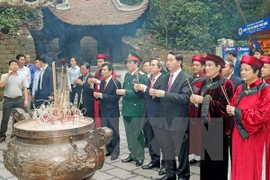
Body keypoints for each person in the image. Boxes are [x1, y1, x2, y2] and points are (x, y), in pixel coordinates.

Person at [190, 54, 234, 180]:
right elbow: (198, 102)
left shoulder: (226, 84)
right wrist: (194, 100)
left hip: (218, 129)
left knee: (217, 165)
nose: (206, 68)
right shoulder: (205, 82)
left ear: (218, 67)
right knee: (206, 164)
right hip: (204, 127)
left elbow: (224, 108)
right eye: (205, 65)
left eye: (209, 65)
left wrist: (203, 100)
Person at [226, 55, 270, 180]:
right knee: (239, 165)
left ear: (256, 71)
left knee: (254, 166)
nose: (242, 73)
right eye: (241, 70)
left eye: (246, 70)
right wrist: (230, 109)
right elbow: (233, 105)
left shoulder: (266, 91)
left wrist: (237, 111)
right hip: (238, 136)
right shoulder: (240, 88)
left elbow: (262, 116)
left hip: (257, 137)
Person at [151, 50, 192, 180]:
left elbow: (185, 98)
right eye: (167, 60)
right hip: (164, 120)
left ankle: (183, 176)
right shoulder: (164, 78)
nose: (168, 62)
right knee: (167, 150)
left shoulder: (186, 78)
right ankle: (170, 174)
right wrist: (154, 94)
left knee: (181, 151)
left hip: (179, 120)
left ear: (179, 62)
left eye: (171, 60)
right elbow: (161, 98)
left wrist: (164, 94)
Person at [134, 58, 166, 176]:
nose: (150, 67)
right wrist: (137, 89)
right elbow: (143, 95)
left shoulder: (164, 79)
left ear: (160, 68)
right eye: (150, 65)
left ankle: (165, 164)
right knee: (151, 139)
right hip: (147, 113)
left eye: (153, 65)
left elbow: (159, 95)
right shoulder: (149, 79)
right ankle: (155, 160)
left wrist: (145, 89)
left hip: (158, 114)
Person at [116, 50, 147, 167]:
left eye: (130, 62)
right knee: (129, 133)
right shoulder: (128, 75)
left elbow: (142, 94)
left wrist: (126, 92)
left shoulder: (141, 76)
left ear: (136, 63)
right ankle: (132, 154)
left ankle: (140, 156)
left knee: (137, 133)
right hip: (126, 109)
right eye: (127, 62)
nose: (127, 64)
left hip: (136, 109)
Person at [93, 63, 121, 161]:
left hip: (112, 111)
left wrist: (102, 96)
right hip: (103, 110)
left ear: (110, 71)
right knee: (106, 132)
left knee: (114, 132)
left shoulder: (115, 82)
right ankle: (109, 149)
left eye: (105, 70)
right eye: (102, 70)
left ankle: (116, 152)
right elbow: (101, 95)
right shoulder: (101, 82)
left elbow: (115, 98)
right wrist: (97, 95)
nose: (102, 72)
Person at [0, 60, 28, 143]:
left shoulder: (22, 76)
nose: (14, 66)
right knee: (5, 119)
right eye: (12, 65)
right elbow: (1, 85)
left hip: (18, 99)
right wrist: (8, 75)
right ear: (9, 66)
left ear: (18, 66)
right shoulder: (4, 75)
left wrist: (26, 99)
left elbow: (25, 88)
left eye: (16, 64)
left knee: (18, 118)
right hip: (8, 100)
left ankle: (15, 133)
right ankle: (2, 135)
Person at [88, 54, 117, 128]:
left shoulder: (112, 73)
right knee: (98, 116)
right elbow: (95, 87)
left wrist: (97, 81)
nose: (99, 64)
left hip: (106, 98)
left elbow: (109, 86)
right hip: (97, 97)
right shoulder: (97, 73)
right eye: (97, 62)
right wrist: (91, 83)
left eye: (101, 62)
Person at [189, 55, 206, 164]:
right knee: (193, 133)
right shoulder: (191, 78)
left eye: (197, 65)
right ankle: (193, 155)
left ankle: (202, 155)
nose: (194, 67)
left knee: (201, 133)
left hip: (201, 110)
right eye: (193, 65)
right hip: (191, 109)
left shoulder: (206, 79)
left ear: (203, 66)